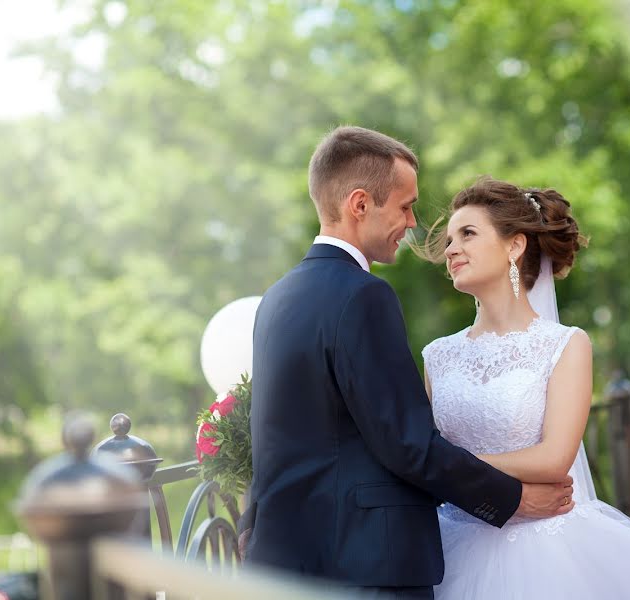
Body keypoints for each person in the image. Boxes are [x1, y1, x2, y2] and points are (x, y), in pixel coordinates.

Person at [242, 127, 574, 599]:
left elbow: (270, 435)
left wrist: (249, 523)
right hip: (368, 566)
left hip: (289, 565)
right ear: (360, 205)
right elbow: (407, 445)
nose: (414, 222)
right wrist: (514, 500)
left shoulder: (276, 299)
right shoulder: (363, 295)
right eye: (405, 205)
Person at [418, 176, 630, 599]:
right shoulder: (437, 356)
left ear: (514, 246)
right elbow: (422, 460)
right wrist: (443, 465)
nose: (450, 249)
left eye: (467, 233)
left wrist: (446, 463)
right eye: (449, 239)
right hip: (452, 552)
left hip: (546, 554)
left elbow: (554, 459)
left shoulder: (565, 345)